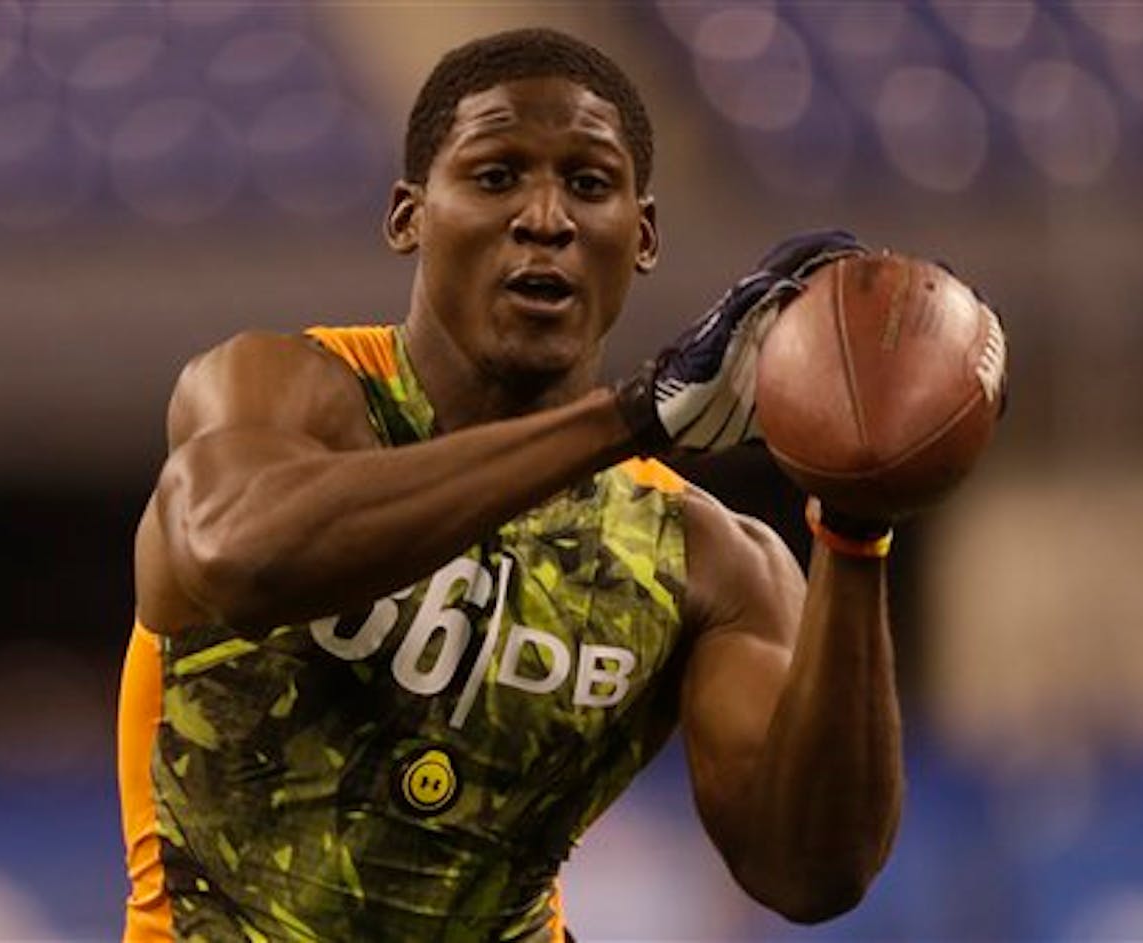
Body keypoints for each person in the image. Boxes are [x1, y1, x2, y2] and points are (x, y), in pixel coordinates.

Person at [118, 27, 912, 943]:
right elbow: (241, 554)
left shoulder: (705, 559)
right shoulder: (281, 388)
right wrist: (633, 416)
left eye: (588, 184)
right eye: (496, 177)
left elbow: (809, 874)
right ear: (408, 217)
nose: (546, 217)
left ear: (642, 233)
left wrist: (856, 527)